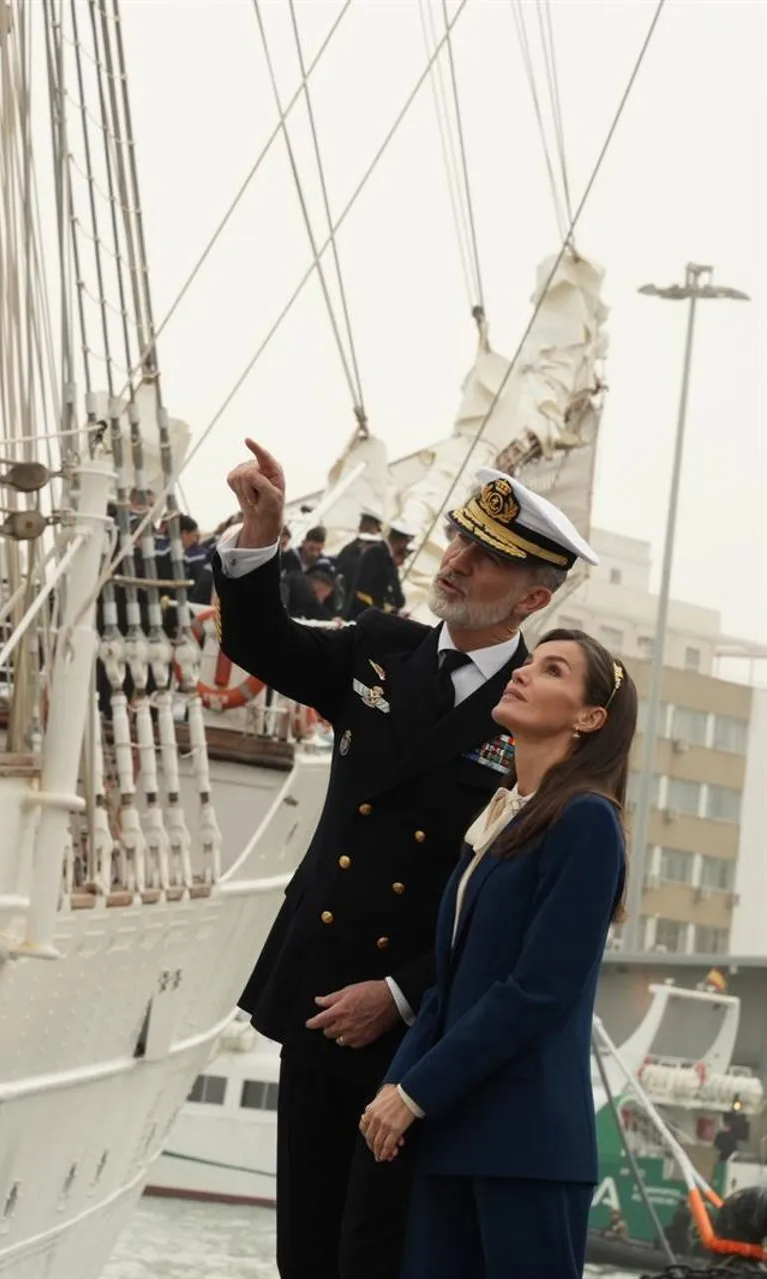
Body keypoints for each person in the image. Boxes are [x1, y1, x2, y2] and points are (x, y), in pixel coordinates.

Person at [214, 445, 595, 1279]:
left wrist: (398, 993)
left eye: (485, 556)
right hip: (318, 992)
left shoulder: (533, 719)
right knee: (306, 1254)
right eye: (461, 538)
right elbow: (260, 638)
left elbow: (509, 912)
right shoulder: (383, 647)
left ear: (533, 597)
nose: (455, 560)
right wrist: (260, 536)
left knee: (381, 1256)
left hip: (423, 1029)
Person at [361, 627, 636, 1279]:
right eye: (530, 662)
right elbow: (449, 986)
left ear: (589, 717)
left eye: (553, 670)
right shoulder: (502, 815)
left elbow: (538, 988)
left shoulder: (587, 820)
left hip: (525, 1144)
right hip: (451, 1134)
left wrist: (417, 1090)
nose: (524, 672)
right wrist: (396, 1085)